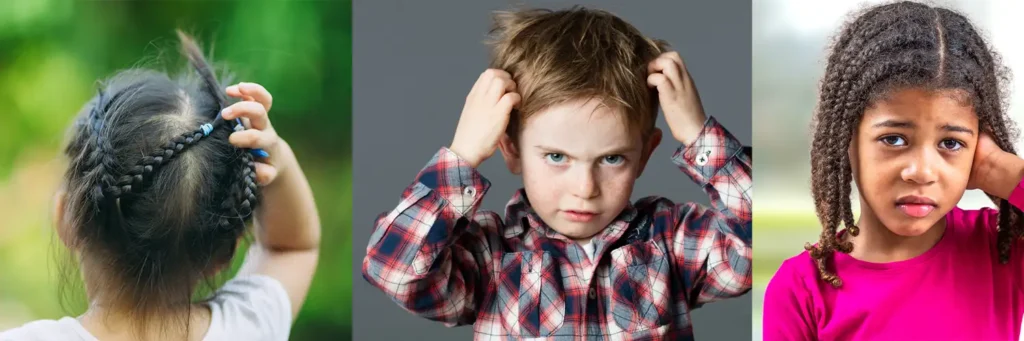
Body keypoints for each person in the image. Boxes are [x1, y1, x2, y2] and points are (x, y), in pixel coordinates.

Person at [362, 7, 751, 339]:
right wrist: (462, 156)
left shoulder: (671, 242)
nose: (585, 189)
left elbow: (760, 247)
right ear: (511, 149)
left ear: (645, 155)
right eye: (557, 157)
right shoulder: (492, 256)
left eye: (612, 159)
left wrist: (701, 138)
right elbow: (394, 272)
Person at [0, 31, 320, 341]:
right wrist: (277, 157)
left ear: (65, 218)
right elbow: (292, 247)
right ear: (223, 255)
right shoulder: (249, 326)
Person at [762, 2, 1024, 340]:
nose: (921, 171)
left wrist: (1004, 172)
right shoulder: (801, 288)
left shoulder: (1002, 248)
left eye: (950, 144)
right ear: (846, 137)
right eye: (894, 139)